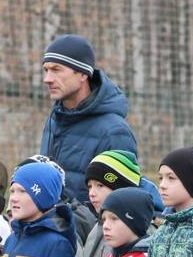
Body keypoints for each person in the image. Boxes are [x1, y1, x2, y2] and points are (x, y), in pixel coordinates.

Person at [38, 34, 138, 204]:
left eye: (56, 70)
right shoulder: (53, 121)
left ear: (83, 74)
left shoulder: (114, 132)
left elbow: (121, 204)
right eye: (46, 70)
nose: (47, 79)